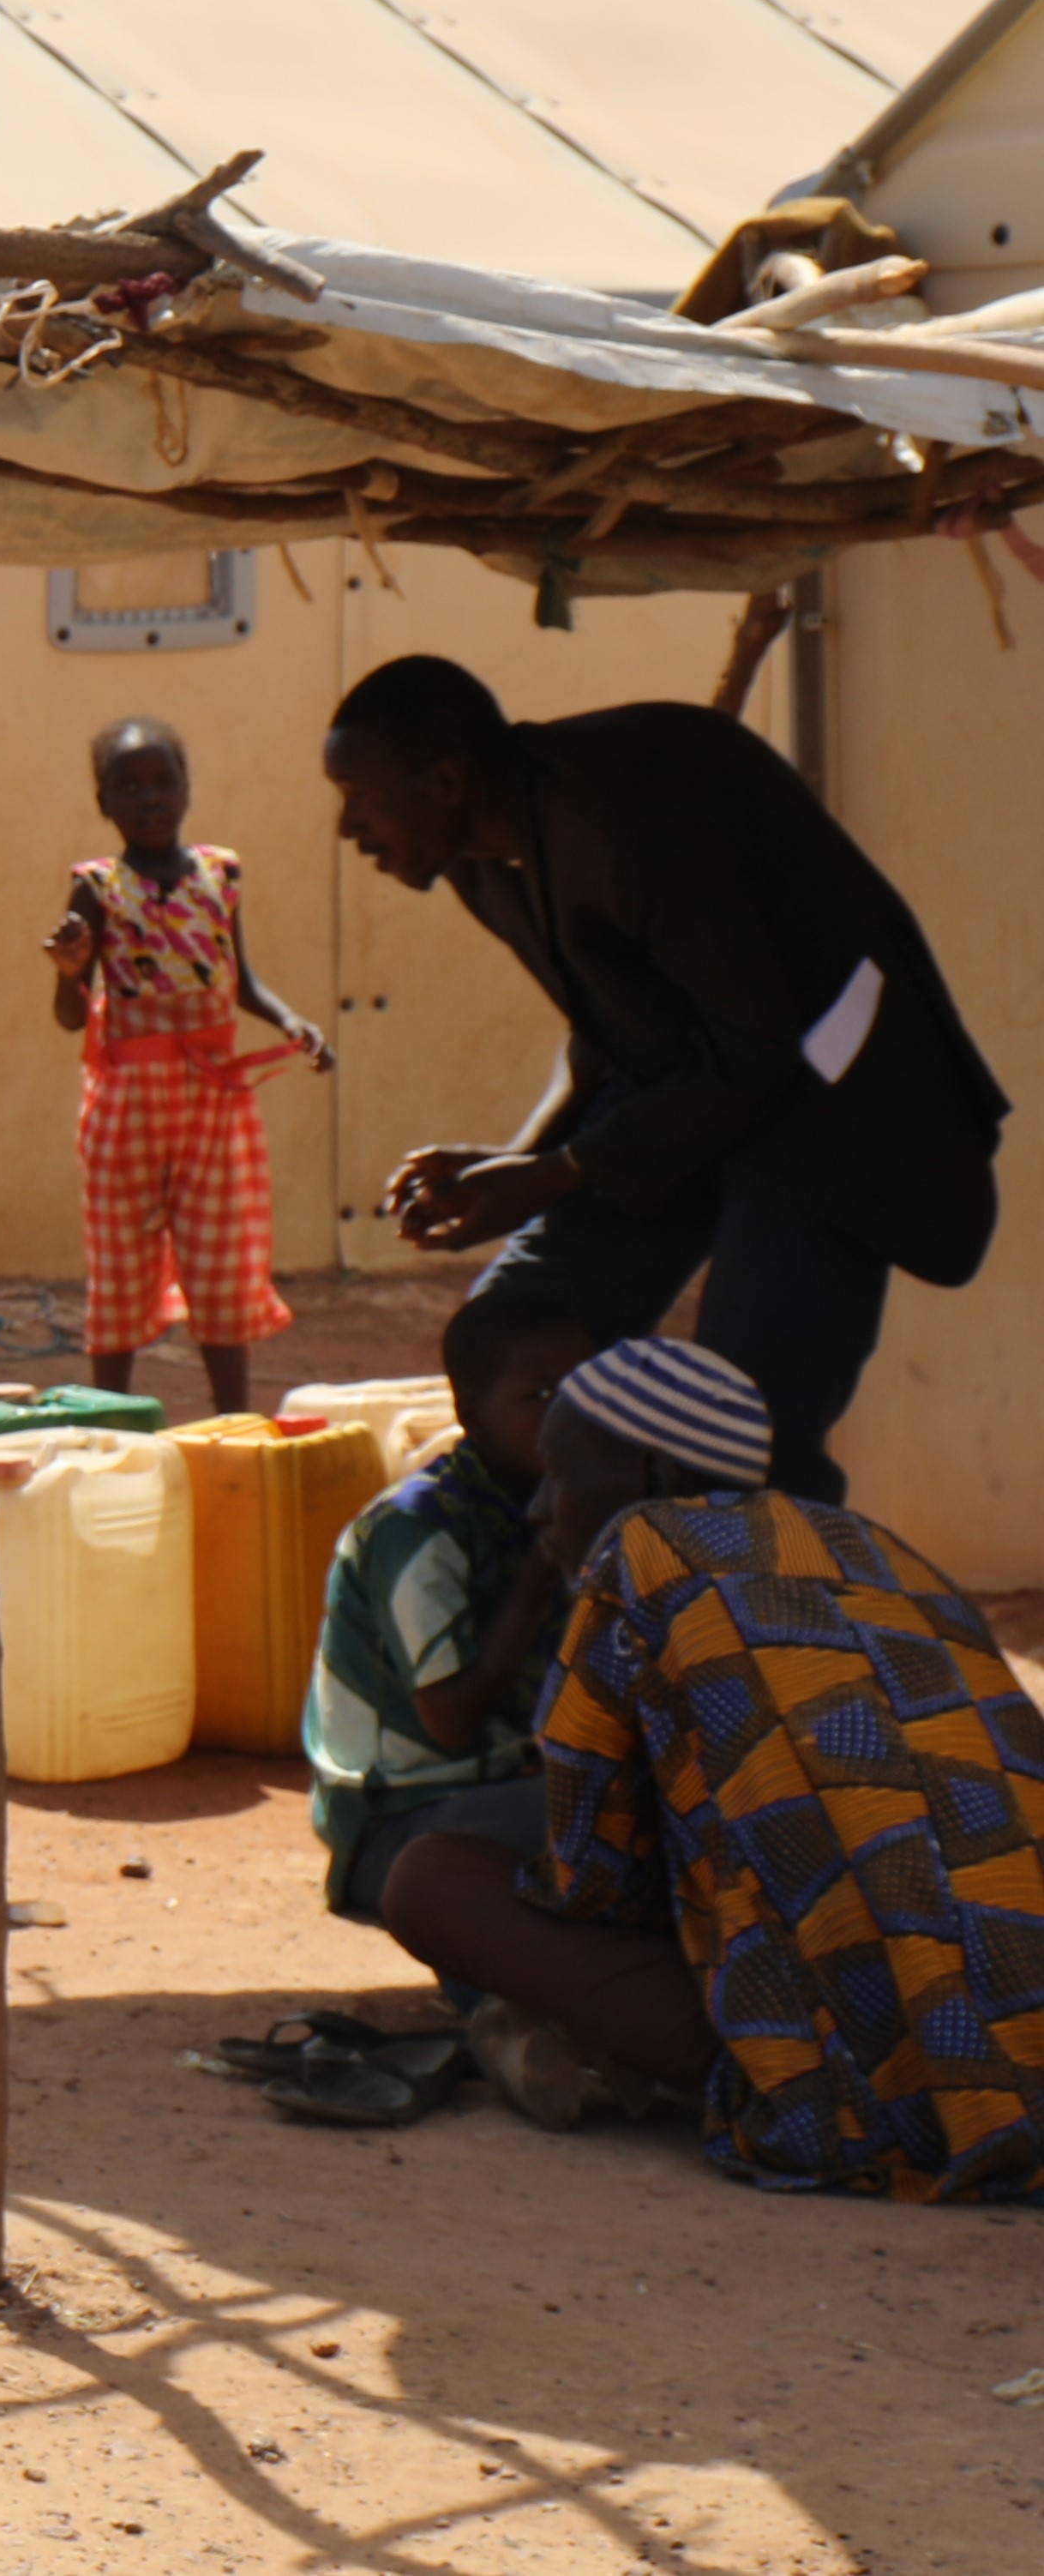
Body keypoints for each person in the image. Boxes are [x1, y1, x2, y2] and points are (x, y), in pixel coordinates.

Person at [326, 654, 1004, 1501]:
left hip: (821, 1110)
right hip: (690, 1097)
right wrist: (520, 1159)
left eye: (358, 792)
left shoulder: (616, 822)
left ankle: (776, 1618)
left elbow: (756, 1050)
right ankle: (564, 1608)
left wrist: (552, 1172)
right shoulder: (482, 859)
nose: (345, 825)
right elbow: (612, 1029)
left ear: (446, 781)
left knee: (740, 1424)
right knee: (505, 1342)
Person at [380, 1334, 1044, 2193]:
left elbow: (592, 1876)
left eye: (561, 1473)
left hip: (877, 2087)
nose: (539, 1509)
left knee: (430, 1876)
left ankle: (741, 2070)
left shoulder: (638, 1549)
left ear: (648, 1476)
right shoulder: (874, 1547)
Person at [43, 716, 327, 1420]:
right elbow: (73, 1017)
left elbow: (240, 978)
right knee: (121, 1269)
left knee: (223, 1262)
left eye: (162, 782)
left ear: (187, 789)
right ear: (102, 800)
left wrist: (292, 1022)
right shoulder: (97, 887)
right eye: (128, 786)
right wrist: (71, 972)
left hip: (214, 1098)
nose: (148, 798)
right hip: (127, 1101)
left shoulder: (218, 875)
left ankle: (233, 1422)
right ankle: (111, 1425)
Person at [301, 1284, 586, 1954]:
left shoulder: (574, 1493)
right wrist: (545, 1562)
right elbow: (451, 1722)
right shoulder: (417, 1530)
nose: (566, 1414)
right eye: (538, 1396)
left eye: (580, 1389)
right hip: (401, 1822)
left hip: (505, 1788)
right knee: (617, 1819)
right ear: (472, 1415)